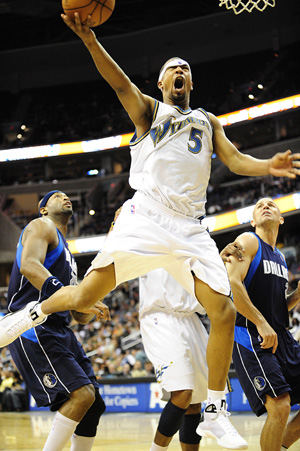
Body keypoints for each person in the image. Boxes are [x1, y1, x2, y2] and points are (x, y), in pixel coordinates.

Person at [1, 12, 300, 449]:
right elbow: (119, 82)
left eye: (185, 70)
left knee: (224, 312)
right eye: (171, 70)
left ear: (191, 83)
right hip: (148, 215)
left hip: (191, 227)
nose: (179, 72)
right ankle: (27, 315)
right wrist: (89, 40)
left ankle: (214, 410)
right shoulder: (150, 110)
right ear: (161, 84)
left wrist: (265, 167)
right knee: (84, 296)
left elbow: (235, 160)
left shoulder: (208, 120)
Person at [3, 191, 109, 451]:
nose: (65, 197)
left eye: (66, 195)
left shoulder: (69, 256)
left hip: (61, 329)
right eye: (56, 196)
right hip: (33, 326)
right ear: (43, 209)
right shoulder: (41, 226)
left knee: (94, 405)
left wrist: (89, 304)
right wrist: (68, 294)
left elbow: (78, 315)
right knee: (82, 396)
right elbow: (29, 264)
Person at [224, 197, 300, 451]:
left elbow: (278, 307)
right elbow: (232, 283)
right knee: (279, 405)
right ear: (253, 220)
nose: (265, 205)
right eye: (259, 206)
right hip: (250, 334)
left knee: (283, 406)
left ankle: (279, 448)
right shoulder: (248, 240)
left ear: (281, 219)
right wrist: (261, 322)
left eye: (271, 205)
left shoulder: (279, 257)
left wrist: (297, 296)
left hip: (281, 336)